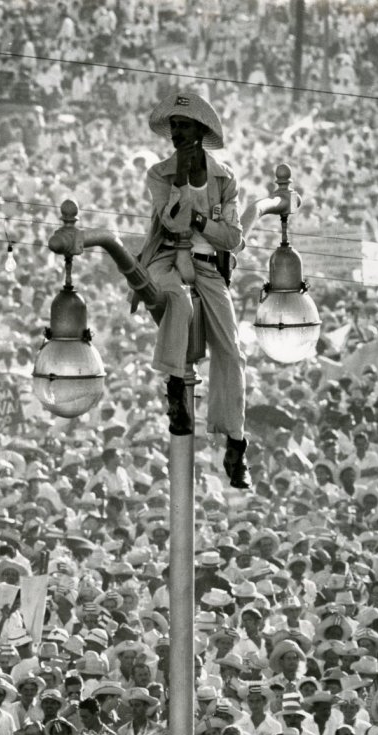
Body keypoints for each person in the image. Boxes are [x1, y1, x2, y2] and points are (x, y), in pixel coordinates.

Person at [138, 90, 249, 489]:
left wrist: (202, 219)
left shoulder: (224, 177)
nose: (176, 134)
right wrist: (182, 182)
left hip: (208, 267)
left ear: (200, 131)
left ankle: (234, 438)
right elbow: (172, 225)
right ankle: (174, 390)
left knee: (232, 350)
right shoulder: (159, 173)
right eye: (173, 127)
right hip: (166, 258)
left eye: (184, 126)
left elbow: (232, 237)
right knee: (179, 305)